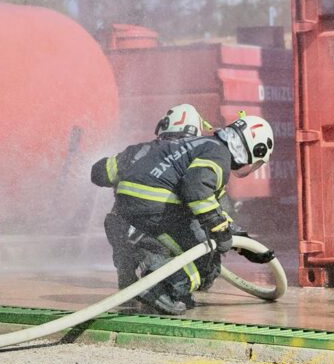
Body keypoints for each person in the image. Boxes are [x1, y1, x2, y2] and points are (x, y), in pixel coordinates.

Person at [91, 112, 274, 315]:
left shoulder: (189, 145)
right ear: (252, 147)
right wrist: (218, 229)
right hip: (156, 209)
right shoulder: (219, 153)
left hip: (126, 209)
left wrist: (244, 244)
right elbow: (195, 189)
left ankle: (141, 267)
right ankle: (160, 284)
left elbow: (99, 173)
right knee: (208, 260)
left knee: (193, 239)